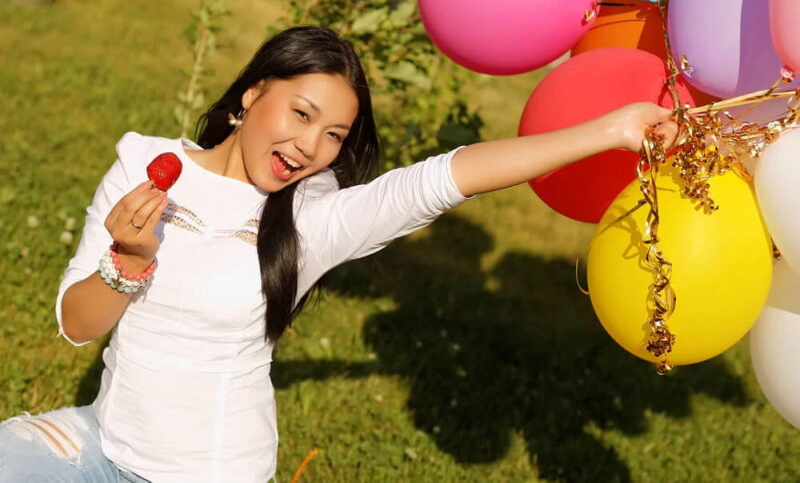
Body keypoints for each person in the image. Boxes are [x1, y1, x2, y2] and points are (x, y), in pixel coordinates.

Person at [0, 26, 678, 483]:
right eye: (299, 114)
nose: (309, 148)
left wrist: (610, 129)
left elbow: (448, 177)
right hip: (101, 447)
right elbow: (76, 323)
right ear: (252, 93)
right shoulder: (143, 164)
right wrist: (127, 259)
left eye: (333, 135)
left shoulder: (312, 220)